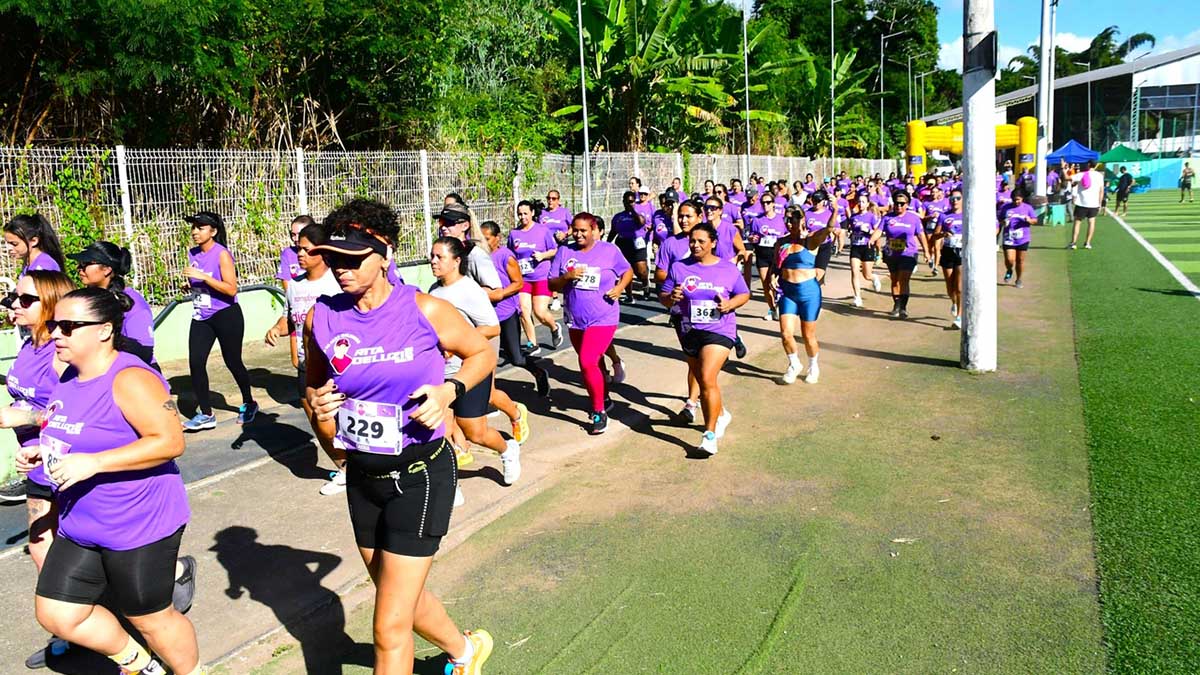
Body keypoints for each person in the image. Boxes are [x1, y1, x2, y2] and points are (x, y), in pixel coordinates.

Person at [304, 199, 493, 674]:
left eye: (353, 258)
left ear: (384, 255)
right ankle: (465, 651)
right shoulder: (320, 318)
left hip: (420, 475)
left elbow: (480, 355)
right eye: (334, 258)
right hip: (363, 479)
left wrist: (449, 391)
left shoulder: (425, 309)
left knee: (388, 626)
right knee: (398, 594)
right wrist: (321, 410)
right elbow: (312, 386)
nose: (340, 269)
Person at [4, 286, 201, 675]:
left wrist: (95, 462)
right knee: (59, 613)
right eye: (54, 324)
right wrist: (45, 450)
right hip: (82, 523)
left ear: (104, 330)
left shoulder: (129, 377)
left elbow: (170, 441)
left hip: (137, 522)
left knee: (150, 618)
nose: (56, 333)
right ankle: (142, 666)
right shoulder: (68, 377)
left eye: (68, 326)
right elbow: (73, 426)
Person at [429, 236, 524, 487]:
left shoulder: (470, 290)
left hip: (468, 369)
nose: (433, 261)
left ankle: (507, 450)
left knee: (475, 432)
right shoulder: (433, 291)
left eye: (440, 257)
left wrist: (456, 343)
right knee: (439, 430)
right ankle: (450, 487)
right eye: (432, 256)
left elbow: (492, 328)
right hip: (440, 372)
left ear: (457, 261)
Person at [263, 223, 344, 495]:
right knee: (315, 418)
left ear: (321, 253)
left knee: (335, 419)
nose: (300, 255)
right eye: (298, 249)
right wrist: (276, 329)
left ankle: (355, 468)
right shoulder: (294, 286)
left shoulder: (336, 282)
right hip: (306, 364)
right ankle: (344, 468)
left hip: (333, 364)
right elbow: (290, 320)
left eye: (307, 250)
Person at [660, 221, 748, 455]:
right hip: (689, 330)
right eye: (692, 241)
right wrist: (672, 298)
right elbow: (664, 296)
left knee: (707, 378)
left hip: (720, 329)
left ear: (713, 243)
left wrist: (730, 304)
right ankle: (721, 413)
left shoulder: (727, 269)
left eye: (701, 241)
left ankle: (709, 436)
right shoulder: (679, 267)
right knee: (701, 376)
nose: (695, 245)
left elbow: (744, 293)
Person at [549, 213, 633, 435]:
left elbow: (627, 272)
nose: (578, 234)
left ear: (593, 229)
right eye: (575, 230)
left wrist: (619, 288)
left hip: (603, 316)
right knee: (592, 363)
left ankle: (598, 412)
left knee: (586, 361)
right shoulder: (565, 252)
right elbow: (552, 284)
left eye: (583, 230)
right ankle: (603, 396)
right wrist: (567, 277)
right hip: (576, 319)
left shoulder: (609, 251)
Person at [181, 212, 257, 431]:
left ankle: (249, 402)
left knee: (232, 361)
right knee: (196, 363)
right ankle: (206, 414)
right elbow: (201, 282)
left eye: (200, 227)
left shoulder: (222, 254)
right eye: (193, 227)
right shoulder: (192, 253)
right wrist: (191, 285)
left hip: (226, 314)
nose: (195, 232)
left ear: (213, 231)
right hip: (201, 315)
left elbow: (231, 289)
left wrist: (204, 278)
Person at [481, 221, 550, 398]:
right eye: (481, 239)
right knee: (486, 356)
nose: (484, 242)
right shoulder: (478, 257)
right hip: (486, 316)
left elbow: (518, 283)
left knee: (516, 358)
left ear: (498, 238)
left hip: (505, 313)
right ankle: (487, 395)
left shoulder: (506, 256)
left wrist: (499, 294)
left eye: (487, 238)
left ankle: (539, 372)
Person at [770, 208, 834, 384]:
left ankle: (813, 366)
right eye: (788, 220)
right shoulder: (781, 242)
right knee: (785, 334)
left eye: (795, 219)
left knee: (808, 335)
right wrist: (774, 276)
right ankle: (794, 364)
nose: (791, 223)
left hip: (809, 293)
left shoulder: (811, 240)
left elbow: (829, 228)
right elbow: (776, 264)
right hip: (788, 293)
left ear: (803, 220)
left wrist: (835, 209)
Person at [69, 241, 157, 368]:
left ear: (106, 269)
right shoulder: (85, 298)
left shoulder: (132, 302)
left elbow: (144, 352)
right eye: (79, 264)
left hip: (134, 373)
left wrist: (102, 336)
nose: (79, 269)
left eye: (85, 264)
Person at [656, 201, 703, 421]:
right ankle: (697, 398)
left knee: (705, 359)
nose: (683, 220)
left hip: (708, 309)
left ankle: (692, 403)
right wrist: (678, 280)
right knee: (693, 359)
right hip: (682, 311)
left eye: (688, 216)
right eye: (681, 216)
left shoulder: (711, 240)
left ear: (699, 217)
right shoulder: (670, 244)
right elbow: (660, 275)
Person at [508, 200, 563, 354]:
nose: (522, 217)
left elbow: (554, 250)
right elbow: (510, 254)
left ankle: (554, 327)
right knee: (523, 310)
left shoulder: (542, 231)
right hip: (523, 279)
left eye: (525, 213)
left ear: (532, 213)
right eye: (520, 214)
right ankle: (533, 344)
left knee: (539, 312)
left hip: (541, 276)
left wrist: (542, 255)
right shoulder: (514, 234)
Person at [880, 193, 929, 319]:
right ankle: (896, 305)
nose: (899, 206)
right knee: (895, 279)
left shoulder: (914, 219)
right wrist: (871, 240)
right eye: (897, 203)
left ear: (907, 205)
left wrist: (927, 251)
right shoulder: (887, 218)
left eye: (902, 204)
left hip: (909, 253)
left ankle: (903, 308)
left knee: (904, 278)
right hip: (892, 253)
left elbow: (921, 235)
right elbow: (878, 231)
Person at [748, 192, 787, 321]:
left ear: (773, 204)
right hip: (762, 254)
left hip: (777, 255)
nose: (766, 205)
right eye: (763, 202)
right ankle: (772, 308)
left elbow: (788, 235)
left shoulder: (781, 219)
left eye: (768, 202)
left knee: (777, 282)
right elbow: (752, 236)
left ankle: (783, 306)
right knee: (766, 283)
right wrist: (752, 238)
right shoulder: (757, 220)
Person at [608, 190, 652, 301]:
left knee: (641, 270)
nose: (629, 204)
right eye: (627, 202)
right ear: (623, 202)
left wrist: (633, 209)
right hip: (623, 244)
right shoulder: (618, 216)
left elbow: (641, 222)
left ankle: (646, 287)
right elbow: (613, 231)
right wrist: (607, 244)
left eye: (632, 202)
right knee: (626, 270)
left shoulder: (639, 214)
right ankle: (629, 295)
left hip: (637, 244)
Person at [930, 189, 965, 328]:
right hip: (948, 251)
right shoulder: (944, 216)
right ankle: (954, 302)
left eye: (957, 198)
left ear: (962, 199)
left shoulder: (967, 214)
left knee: (959, 287)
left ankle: (959, 317)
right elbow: (934, 235)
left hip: (962, 252)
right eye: (952, 199)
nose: (954, 201)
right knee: (950, 287)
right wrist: (944, 234)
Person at [847, 193, 882, 307]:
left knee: (866, 275)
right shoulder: (853, 217)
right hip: (856, 246)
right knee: (854, 271)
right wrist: (850, 233)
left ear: (867, 204)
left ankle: (874, 278)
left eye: (863, 202)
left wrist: (868, 231)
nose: (861, 204)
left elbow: (877, 233)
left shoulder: (872, 217)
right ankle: (857, 297)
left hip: (867, 246)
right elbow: (851, 230)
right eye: (859, 202)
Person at [999, 192, 1036, 288]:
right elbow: (1000, 219)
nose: (1016, 202)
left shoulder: (1028, 208)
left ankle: (1019, 279)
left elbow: (1034, 220)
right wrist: (1004, 222)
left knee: (1020, 260)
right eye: (1015, 200)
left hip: (1023, 238)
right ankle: (1009, 269)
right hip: (1009, 237)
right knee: (1010, 259)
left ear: (1022, 199)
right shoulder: (1006, 207)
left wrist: (1029, 220)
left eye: (1018, 199)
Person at [1068, 160, 1104, 250]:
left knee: (1077, 223)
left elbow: (1067, 178)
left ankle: (1073, 243)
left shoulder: (1082, 174)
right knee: (1091, 223)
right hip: (1094, 204)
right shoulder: (1100, 176)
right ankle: (1087, 243)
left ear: (1088, 165)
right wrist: (1099, 204)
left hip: (1081, 203)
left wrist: (1064, 168)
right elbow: (1101, 191)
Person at [275, 215, 315, 290]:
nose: (295, 239)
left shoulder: (320, 251)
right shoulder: (287, 254)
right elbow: (286, 282)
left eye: (299, 234)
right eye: (293, 234)